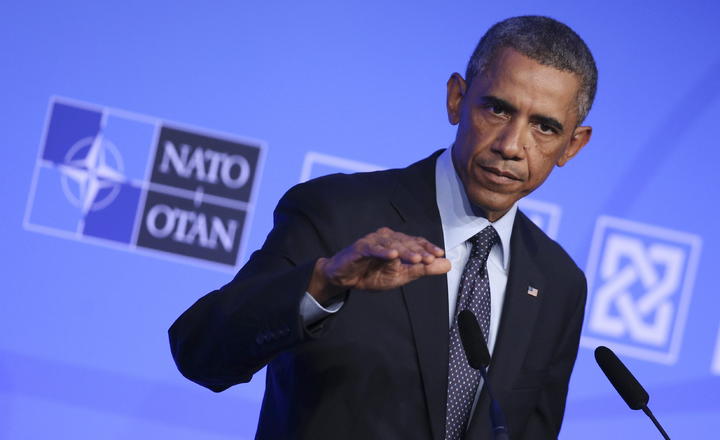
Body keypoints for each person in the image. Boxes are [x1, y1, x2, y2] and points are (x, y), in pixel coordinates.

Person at [169, 15, 597, 440]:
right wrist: (323, 284)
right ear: (456, 99)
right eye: (497, 109)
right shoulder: (337, 214)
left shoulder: (559, 283)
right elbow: (200, 354)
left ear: (572, 145)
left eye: (544, 127)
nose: (511, 146)